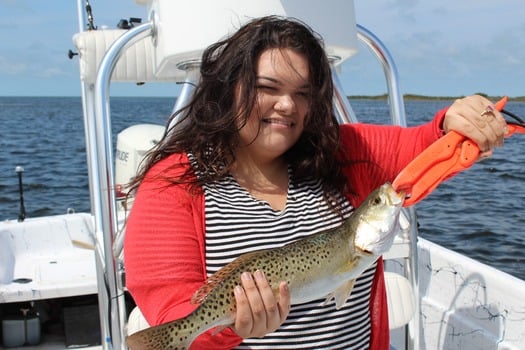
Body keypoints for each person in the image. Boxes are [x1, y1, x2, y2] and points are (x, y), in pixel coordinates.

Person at [124, 15, 507, 349]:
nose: (288, 105)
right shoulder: (174, 184)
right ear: (230, 88)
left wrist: (456, 123)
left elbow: (427, 146)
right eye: (268, 88)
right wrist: (232, 329)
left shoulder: (343, 151)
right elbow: (172, 311)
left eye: (303, 94)